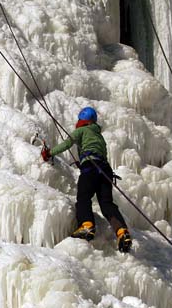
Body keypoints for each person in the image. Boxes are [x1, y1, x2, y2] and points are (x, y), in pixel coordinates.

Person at [41, 107, 132, 253]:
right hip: (105, 170)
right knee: (107, 203)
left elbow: (67, 144)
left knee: (83, 197)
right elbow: (97, 152)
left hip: (90, 168)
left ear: (83, 120)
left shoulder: (82, 130)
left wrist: (49, 153)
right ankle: (122, 232)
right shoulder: (99, 137)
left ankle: (87, 225)